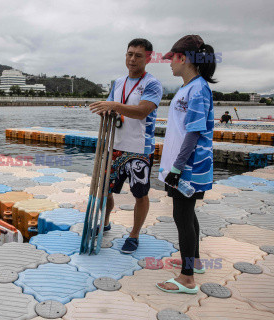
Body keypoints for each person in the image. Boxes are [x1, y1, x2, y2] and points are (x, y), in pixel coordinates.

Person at [89, 38, 163, 253]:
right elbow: (111, 108)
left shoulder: (152, 84)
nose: (132, 59)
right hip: (115, 144)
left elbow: (142, 111)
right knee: (105, 190)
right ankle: (105, 222)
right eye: (129, 54)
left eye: (138, 55)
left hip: (140, 148)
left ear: (148, 58)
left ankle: (134, 234)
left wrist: (113, 105)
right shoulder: (118, 82)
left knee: (140, 194)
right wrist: (107, 110)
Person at [156, 35, 216, 294]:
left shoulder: (198, 89)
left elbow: (193, 132)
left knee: (181, 216)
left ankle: (187, 278)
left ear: (184, 58)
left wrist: (178, 169)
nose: (169, 63)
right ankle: (195, 261)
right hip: (180, 165)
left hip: (188, 168)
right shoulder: (186, 87)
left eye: (172, 58)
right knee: (188, 213)